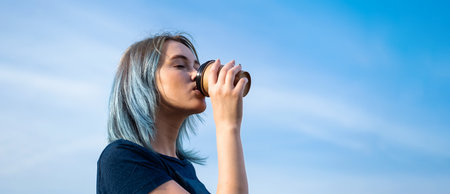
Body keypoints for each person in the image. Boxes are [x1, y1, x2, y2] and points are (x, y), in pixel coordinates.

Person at [96, 33, 249, 194]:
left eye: (198, 68)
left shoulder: (185, 169)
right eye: (180, 66)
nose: (195, 75)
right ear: (144, 80)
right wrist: (228, 125)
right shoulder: (122, 159)